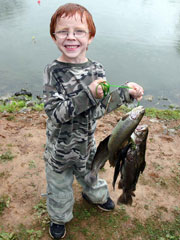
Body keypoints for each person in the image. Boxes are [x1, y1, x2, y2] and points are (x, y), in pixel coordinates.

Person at [43, 3, 144, 239]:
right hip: (58, 150)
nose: (71, 37)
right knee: (59, 187)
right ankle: (59, 217)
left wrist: (126, 94)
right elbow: (55, 113)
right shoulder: (53, 72)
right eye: (63, 31)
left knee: (91, 175)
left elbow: (99, 109)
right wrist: (89, 93)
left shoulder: (97, 69)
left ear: (90, 37)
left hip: (87, 146)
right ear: (53, 36)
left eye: (79, 31)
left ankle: (94, 196)